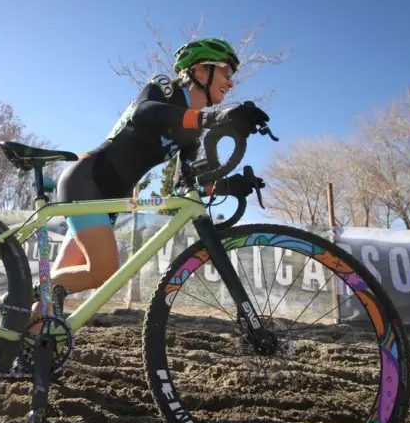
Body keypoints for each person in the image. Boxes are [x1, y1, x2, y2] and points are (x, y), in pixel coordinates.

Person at [32, 38, 270, 317]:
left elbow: (185, 186)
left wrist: (229, 186)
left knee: (56, 290)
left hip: (106, 200)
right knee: (104, 271)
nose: (231, 83)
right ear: (201, 70)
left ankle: (30, 341)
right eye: (227, 72)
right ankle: (22, 292)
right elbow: (144, 113)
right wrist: (212, 118)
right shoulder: (165, 89)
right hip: (87, 180)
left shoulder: (191, 132)